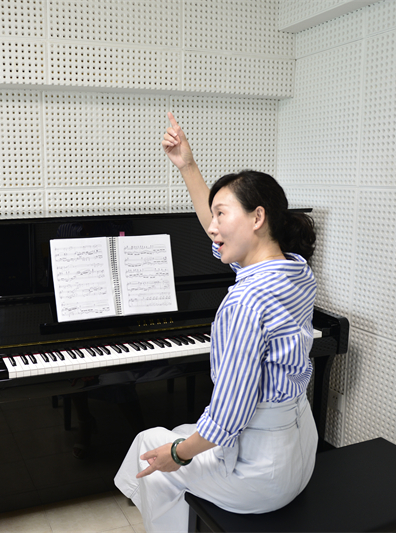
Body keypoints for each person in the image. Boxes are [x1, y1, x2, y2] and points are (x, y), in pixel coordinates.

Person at [114, 112, 319, 532]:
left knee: (150, 449)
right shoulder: (295, 268)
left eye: (221, 215)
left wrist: (178, 454)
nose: (211, 228)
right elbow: (216, 230)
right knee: (178, 433)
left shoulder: (245, 301)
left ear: (257, 218)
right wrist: (187, 165)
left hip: (258, 474)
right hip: (299, 452)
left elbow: (227, 417)